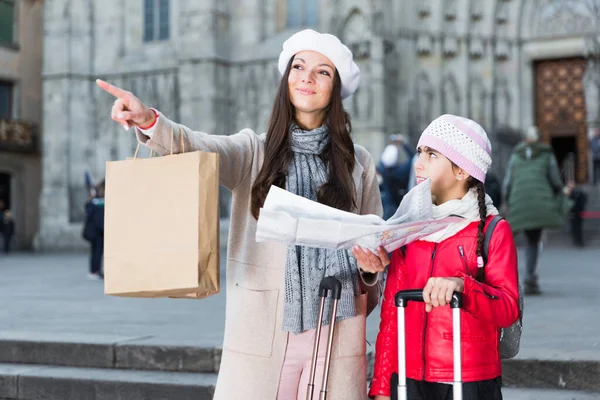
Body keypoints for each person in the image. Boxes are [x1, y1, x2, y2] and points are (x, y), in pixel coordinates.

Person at [97, 29, 383, 400]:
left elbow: (373, 251)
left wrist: (370, 268)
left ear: (337, 88)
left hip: (337, 330)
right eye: (298, 66)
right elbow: (198, 146)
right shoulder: (254, 151)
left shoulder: (358, 162)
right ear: (286, 79)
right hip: (263, 332)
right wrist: (151, 121)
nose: (307, 77)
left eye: (323, 71)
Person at [354, 114, 520, 400]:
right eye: (420, 152)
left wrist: (462, 286)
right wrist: (381, 385)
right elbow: (392, 314)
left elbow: (507, 308)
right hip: (407, 379)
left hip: (469, 380)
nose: (418, 163)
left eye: (432, 155)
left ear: (462, 170)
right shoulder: (408, 229)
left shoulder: (492, 229)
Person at [503, 126, 570, 295]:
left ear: (525, 139)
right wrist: (559, 193)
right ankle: (529, 278)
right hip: (539, 205)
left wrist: (506, 201)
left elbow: (508, 181)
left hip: (518, 203)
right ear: (539, 139)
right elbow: (555, 179)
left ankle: (507, 279)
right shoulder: (547, 155)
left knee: (508, 240)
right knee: (533, 240)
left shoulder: (515, 155)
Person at [378, 134, 414, 219]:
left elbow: (382, 163)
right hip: (400, 206)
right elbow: (414, 158)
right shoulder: (401, 171)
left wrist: (391, 145)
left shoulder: (382, 170)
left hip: (387, 207)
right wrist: (403, 143)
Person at [84, 181, 105, 280]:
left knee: (97, 252)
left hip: (100, 231)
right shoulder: (95, 202)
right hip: (96, 232)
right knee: (96, 252)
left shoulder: (97, 202)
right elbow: (89, 212)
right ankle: (94, 271)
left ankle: (96, 270)